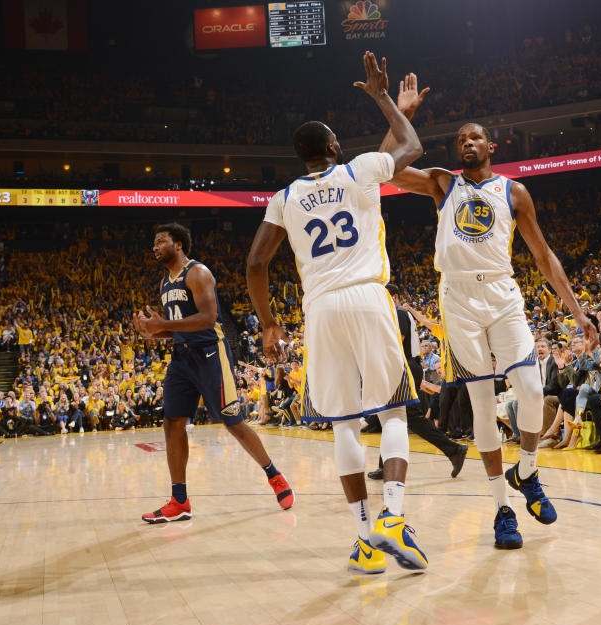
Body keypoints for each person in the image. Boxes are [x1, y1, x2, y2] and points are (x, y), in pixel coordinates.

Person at [384, 75, 598, 550]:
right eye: (460, 139)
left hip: (502, 292)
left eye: (474, 137)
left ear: (490, 145)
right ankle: (503, 508)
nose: (466, 143)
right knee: (482, 404)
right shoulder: (443, 184)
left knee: (530, 386)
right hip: (457, 298)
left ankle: (528, 471)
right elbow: (387, 171)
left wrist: (579, 312)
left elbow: (543, 256)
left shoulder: (514, 192)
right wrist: (404, 116)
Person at [246, 52, 427, 574]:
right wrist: (384, 99)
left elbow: (256, 263)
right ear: (332, 147)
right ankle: (393, 517)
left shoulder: (284, 198)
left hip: (320, 308)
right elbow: (409, 147)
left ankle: (364, 540)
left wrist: (270, 325)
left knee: (343, 424)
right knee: (392, 411)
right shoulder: (359, 170)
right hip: (369, 296)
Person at [133, 221, 294, 524]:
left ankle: (275, 476)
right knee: (172, 423)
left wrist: (164, 325)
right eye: (154, 242)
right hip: (182, 359)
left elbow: (207, 319)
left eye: (160, 240)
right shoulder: (166, 282)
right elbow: (181, 326)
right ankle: (179, 500)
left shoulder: (198, 273)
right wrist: (156, 333)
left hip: (210, 355)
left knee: (232, 422)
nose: (155, 247)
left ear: (178, 244)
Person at [366, 283, 468, 480]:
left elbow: (398, 339)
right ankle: (385, 464)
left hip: (405, 366)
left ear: (394, 296)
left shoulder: (400, 312)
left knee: (408, 416)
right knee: (390, 414)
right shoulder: (393, 313)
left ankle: (454, 449)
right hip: (401, 366)